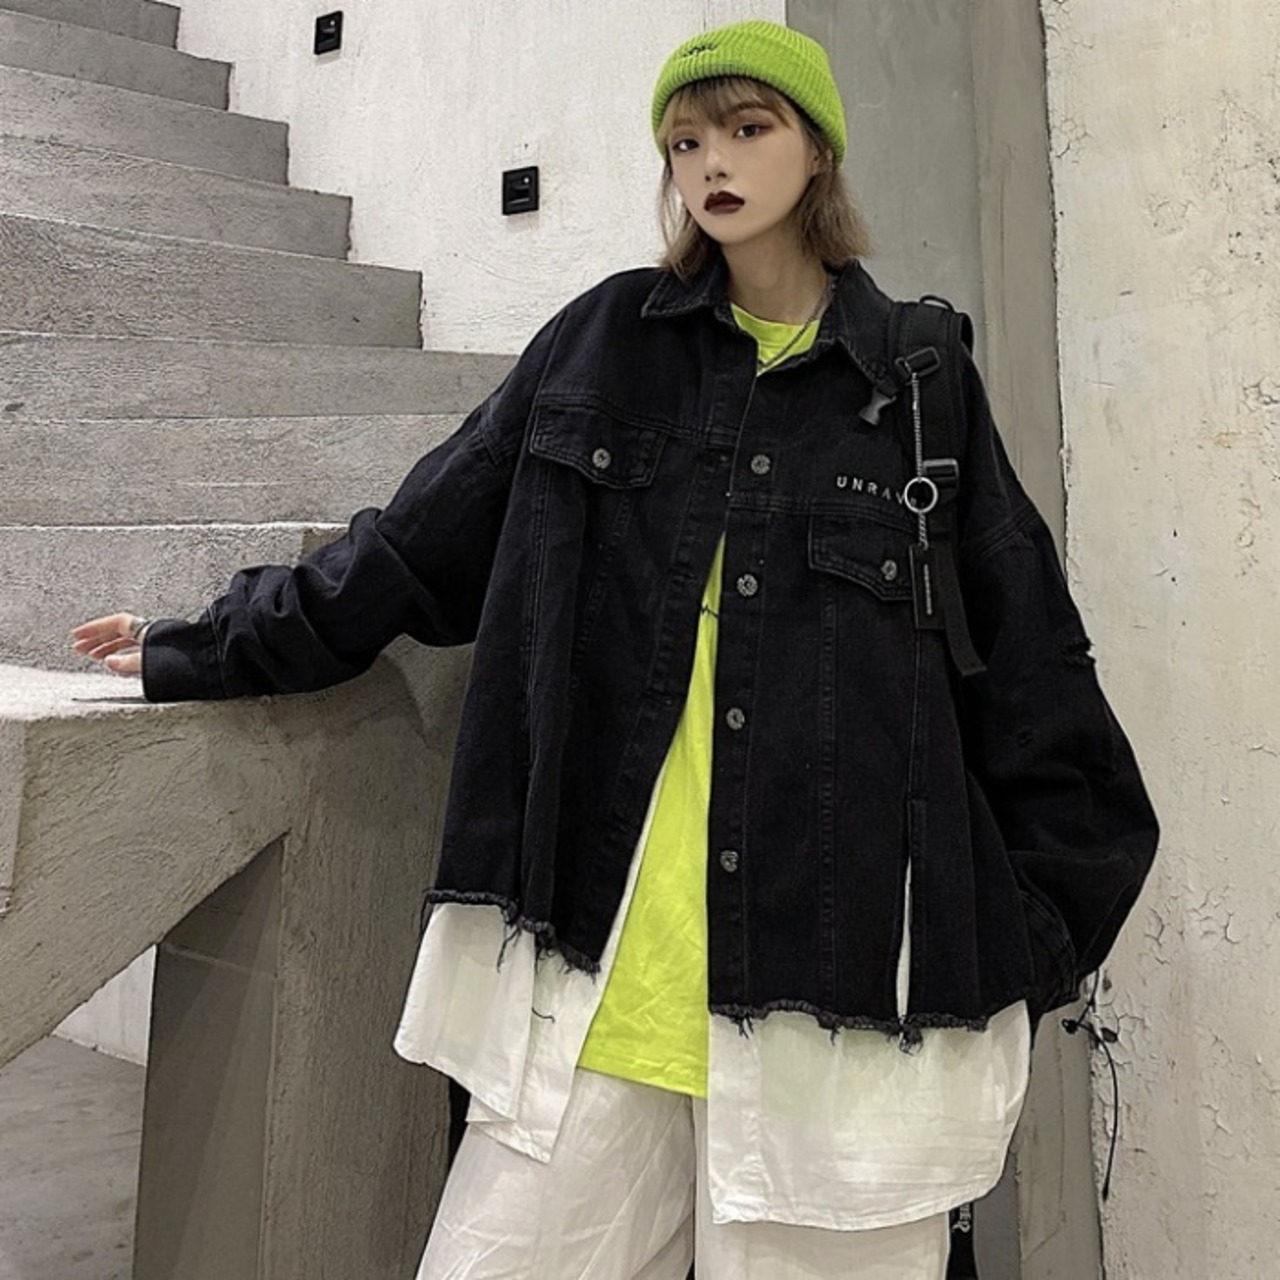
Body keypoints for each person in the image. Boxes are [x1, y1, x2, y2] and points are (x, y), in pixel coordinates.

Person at [71, 19, 1158, 1279]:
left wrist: (1003, 951)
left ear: (816, 151)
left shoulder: (914, 387)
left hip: (843, 1020)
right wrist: (206, 642)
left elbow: (1037, 681)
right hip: (595, 995)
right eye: (684, 142)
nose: (712, 163)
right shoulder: (602, 346)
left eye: (746, 128)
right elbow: (414, 547)